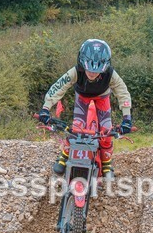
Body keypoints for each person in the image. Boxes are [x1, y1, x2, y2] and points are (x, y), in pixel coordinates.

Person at [38, 39, 132, 180]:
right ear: (82, 64)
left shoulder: (111, 74)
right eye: (89, 69)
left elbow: (122, 92)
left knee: (106, 130)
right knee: (77, 128)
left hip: (102, 98)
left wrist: (127, 118)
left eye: (97, 71)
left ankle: (106, 163)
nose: (92, 73)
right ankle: (64, 155)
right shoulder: (75, 71)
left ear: (105, 67)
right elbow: (58, 87)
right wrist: (45, 108)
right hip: (82, 97)